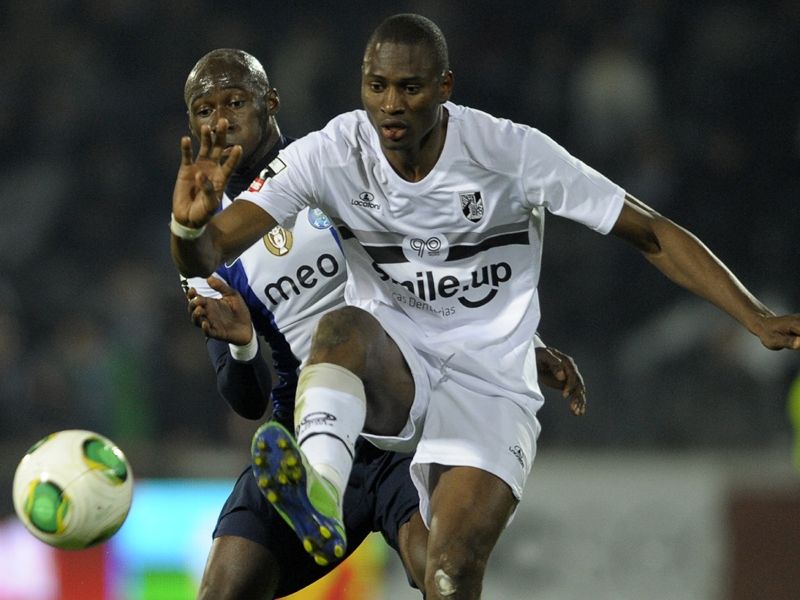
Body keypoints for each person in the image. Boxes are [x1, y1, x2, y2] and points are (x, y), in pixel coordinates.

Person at [169, 14, 800, 599]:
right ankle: (321, 497)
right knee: (344, 329)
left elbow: (651, 231)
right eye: (377, 87)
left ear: (444, 86)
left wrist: (754, 317)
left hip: (488, 385)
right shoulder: (333, 156)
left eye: (410, 88)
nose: (391, 106)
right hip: (376, 384)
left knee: (447, 573)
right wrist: (188, 231)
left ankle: (349, 500)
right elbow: (213, 253)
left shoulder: (510, 153)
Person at [178, 48, 586, 599]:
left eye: (234, 102)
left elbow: (435, 270)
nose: (221, 121)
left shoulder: (333, 166)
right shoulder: (204, 233)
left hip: (401, 418)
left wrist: (519, 340)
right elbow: (246, 400)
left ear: (269, 103)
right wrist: (246, 343)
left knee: (443, 579)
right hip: (312, 434)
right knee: (222, 593)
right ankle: (319, 490)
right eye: (204, 111)